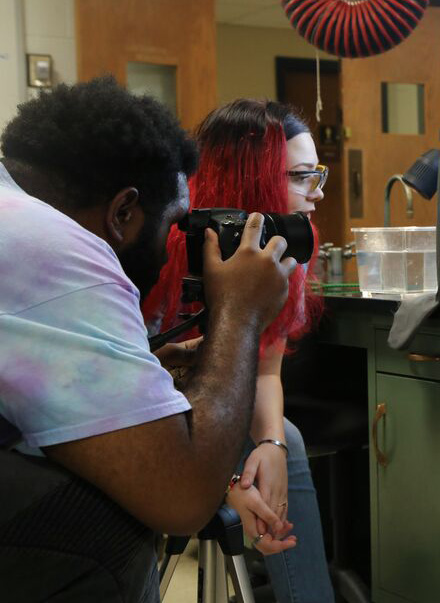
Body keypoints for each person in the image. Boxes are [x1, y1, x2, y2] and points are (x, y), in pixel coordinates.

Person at [0, 78, 297, 600]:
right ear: (123, 213)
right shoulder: (59, 248)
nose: (171, 248)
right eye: (174, 224)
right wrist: (239, 316)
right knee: (103, 515)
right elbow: (182, 498)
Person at [142, 99, 335, 602]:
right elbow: (141, 386)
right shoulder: (159, 250)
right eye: (299, 178)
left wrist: (270, 447)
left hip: (215, 407)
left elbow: (265, 370)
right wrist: (225, 477)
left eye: (317, 176)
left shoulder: (281, 247)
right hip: (145, 414)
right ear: (253, 182)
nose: (314, 196)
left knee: (285, 437)